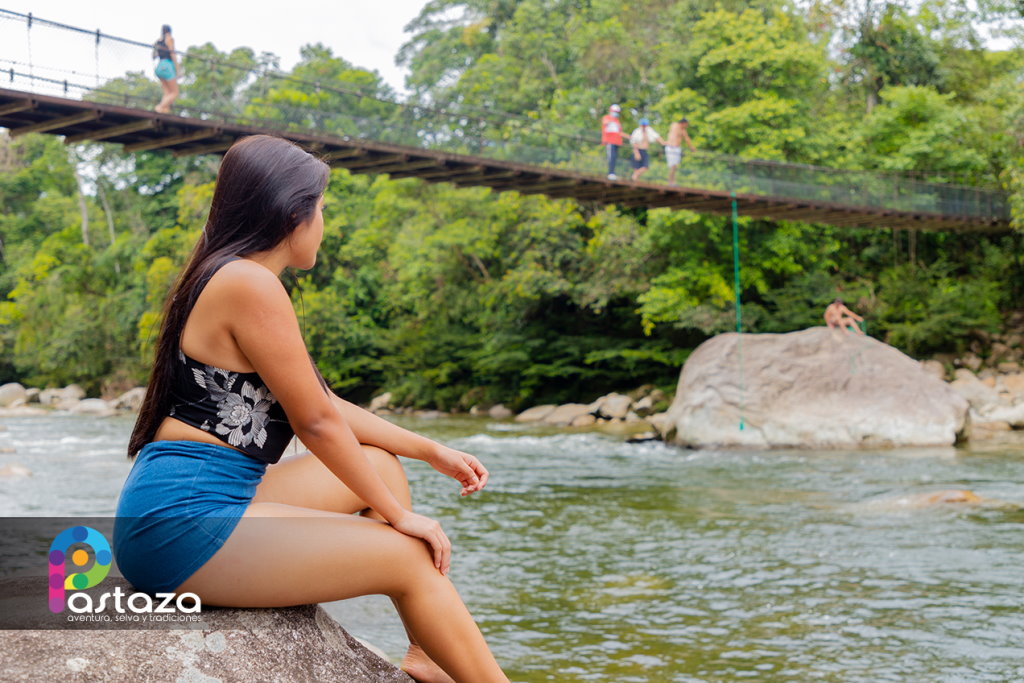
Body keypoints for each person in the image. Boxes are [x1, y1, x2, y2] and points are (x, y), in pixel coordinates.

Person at [113, 135, 508, 683]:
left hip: (203, 496)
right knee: (408, 554)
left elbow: (322, 403)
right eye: (322, 210)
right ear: (291, 213)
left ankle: (427, 654)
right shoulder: (249, 283)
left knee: (383, 469)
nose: (325, 223)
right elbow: (315, 424)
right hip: (180, 523)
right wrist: (401, 519)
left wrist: (428, 450)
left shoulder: (230, 274)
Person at [153, 24, 179, 114]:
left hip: (159, 66)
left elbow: (154, 55)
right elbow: (172, 53)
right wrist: (177, 68)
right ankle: (159, 107)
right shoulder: (169, 39)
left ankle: (164, 111)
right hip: (167, 65)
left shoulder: (158, 41)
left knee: (167, 92)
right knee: (174, 92)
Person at [665, 117, 697, 185]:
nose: (687, 126)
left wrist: (691, 147)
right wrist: (671, 143)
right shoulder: (675, 125)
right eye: (686, 124)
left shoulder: (683, 130)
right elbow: (672, 135)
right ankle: (670, 182)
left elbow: (687, 139)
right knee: (672, 166)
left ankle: (673, 182)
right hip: (671, 148)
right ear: (683, 123)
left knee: (675, 166)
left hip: (677, 148)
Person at [601, 103, 624, 180]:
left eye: (617, 112)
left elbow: (619, 132)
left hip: (616, 142)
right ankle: (610, 173)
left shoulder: (617, 121)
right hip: (609, 141)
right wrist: (612, 119)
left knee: (614, 158)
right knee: (611, 157)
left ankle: (612, 173)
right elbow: (605, 123)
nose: (616, 113)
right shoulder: (607, 118)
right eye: (615, 111)